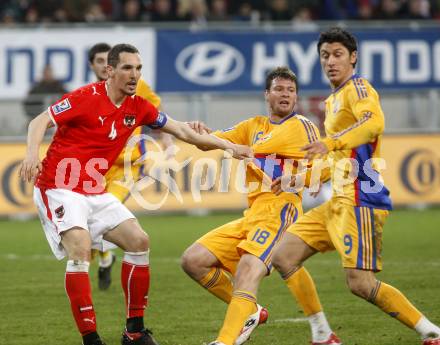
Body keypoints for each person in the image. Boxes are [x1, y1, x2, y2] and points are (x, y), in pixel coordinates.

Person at [19, 43, 252, 345]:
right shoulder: (85, 98)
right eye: (128, 68)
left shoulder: (138, 106)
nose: (134, 75)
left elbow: (182, 131)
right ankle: (90, 339)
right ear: (110, 70)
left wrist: (228, 146)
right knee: (80, 247)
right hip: (58, 186)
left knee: (139, 241)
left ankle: (134, 331)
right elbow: (40, 121)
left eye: (139, 68)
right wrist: (31, 155)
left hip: (93, 189)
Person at [271, 27, 440, 345]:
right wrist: (300, 179)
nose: (330, 61)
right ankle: (322, 334)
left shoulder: (358, 88)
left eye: (337, 54)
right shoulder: (334, 100)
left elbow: (374, 123)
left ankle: (431, 331)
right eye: (324, 55)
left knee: (360, 283)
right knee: (283, 255)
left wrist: (331, 141)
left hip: (361, 199)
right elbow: (337, 161)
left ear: (353, 58)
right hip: (338, 200)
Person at [181, 66, 340, 345]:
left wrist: (298, 178)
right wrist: (196, 130)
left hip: (281, 210)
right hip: (252, 214)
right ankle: (251, 311)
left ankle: (225, 340)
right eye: (279, 89)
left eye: (291, 90)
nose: (285, 95)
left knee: (248, 270)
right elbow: (208, 143)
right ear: (267, 94)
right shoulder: (253, 126)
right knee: (193, 261)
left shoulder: (302, 126)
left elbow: (327, 166)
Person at [88, 42, 173, 290]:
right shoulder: (90, 93)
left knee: (101, 215)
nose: (105, 66)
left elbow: (156, 108)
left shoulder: (136, 85)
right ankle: (105, 257)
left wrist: (165, 136)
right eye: (100, 62)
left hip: (128, 167)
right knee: (90, 223)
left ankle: (99, 260)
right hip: (97, 168)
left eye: (108, 61)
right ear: (93, 66)